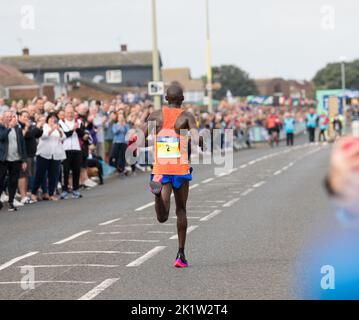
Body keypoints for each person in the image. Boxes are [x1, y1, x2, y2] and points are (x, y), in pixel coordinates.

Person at [141, 85, 200, 268]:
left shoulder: (155, 115)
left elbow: (142, 138)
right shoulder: (187, 116)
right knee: (181, 210)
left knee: (162, 216)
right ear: (182, 98)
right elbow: (197, 139)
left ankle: (158, 195)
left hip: (161, 168)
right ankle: (180, 254)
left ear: (166, 98)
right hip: (180, 169)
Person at [31, 113, 66, 202]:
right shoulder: (45, 127)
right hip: (44, 154)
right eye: (50, 119)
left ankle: (51, 193)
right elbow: (43, 136)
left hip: (55, 155)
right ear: (48, 120)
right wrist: (51, 129)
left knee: (53, 175)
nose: (52, 120)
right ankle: (34, 193)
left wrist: (60, 131)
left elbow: (63, 138)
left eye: (54, 119)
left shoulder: (58, 127)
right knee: (40, 174)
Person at [0, 111, 27, 211]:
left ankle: (11, 201)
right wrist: (9, 128)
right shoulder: (1, 127)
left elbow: (22, 144)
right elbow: (1, 137)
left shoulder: (17, 129)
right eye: (7, 117)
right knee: (1, 180)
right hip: (3, 159)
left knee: (13, 181)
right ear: (3, 118)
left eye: (11, 117)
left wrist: (23, 160)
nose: (10, 118)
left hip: (16, 159)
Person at [59, 104, 85, 199]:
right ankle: (64, 190)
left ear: (74, 113)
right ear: (65, 113)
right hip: (65, 149)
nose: (70, 114)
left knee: (76, 170)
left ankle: (76, 190)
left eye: (71, 113)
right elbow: (64, 135)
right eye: (68, 113)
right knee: (65, 171)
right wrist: (72, 129)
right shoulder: (60, 123)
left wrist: (77, 129)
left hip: (77, 149)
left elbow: (82, 135)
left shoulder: (78, 122)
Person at [18, 109, 43, 204]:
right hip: (25, 154)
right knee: (24, 175)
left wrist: (39, 127)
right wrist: (30, 128)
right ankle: (24, 195)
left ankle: (29, 194)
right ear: (19, 117)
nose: (26, 118)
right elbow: (24, 136)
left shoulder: (30, 125)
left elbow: (37, 134)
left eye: (27, 117)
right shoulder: (19, 126)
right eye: (24, 116)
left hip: (32, 153)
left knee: (30, 175)